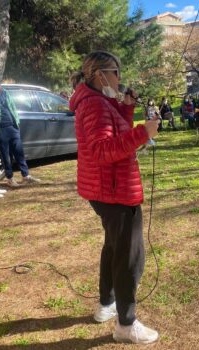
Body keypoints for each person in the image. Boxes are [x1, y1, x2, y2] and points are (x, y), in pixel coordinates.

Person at [69, 51, 159, 344]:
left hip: (105, 189)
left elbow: (114, 127)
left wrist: (129, 109)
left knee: (113, 248)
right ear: (99, 75)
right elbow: (103, 151)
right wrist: (142, 133)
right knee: (128, 257)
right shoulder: (94, 104)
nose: (120, 79)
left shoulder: (98, 100)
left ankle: (106, 305)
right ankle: (126, 324)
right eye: (116, 72)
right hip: (114, 191)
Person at [0, 81, 40, 186]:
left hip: (13, 127)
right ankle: (10, 178)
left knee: (19, 152)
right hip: (0, 130)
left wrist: (17, 122)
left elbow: (12, 107)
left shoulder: (5, 93)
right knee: (6, 155)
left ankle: (26, 175)